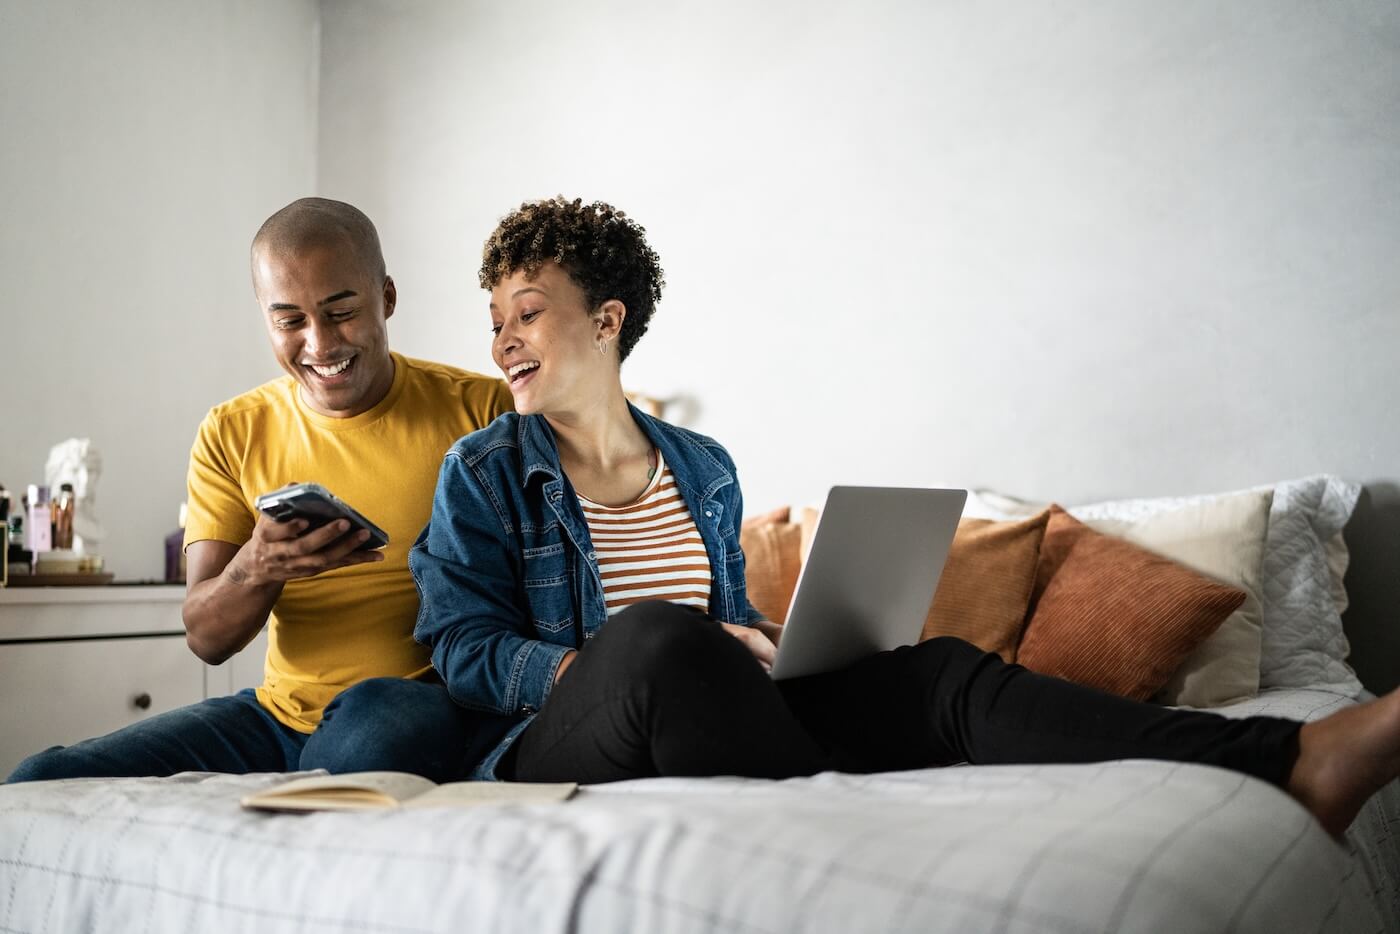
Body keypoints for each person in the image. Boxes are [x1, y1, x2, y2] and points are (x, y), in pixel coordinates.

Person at [410, 196, 1400, 839]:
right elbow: (458, 645)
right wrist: (584, 663)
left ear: (606, 319)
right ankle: (849, 812)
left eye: (526, 311)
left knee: (929, 670)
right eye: (494, 317)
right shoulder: (485, 469)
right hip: (552, 739)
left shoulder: (700, 466)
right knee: (659, 637)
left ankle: (1289, 755)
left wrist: (758, 642)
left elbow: (720, 609)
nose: (502, 338)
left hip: (694, 697)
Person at [8, 197, 513, 784]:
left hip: (416, 707)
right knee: (42, 779)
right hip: (278, 718)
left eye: (341, 311)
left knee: (371, 727)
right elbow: (206, 638)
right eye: (290, 321)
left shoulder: (482, 410)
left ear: (387, 298)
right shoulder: (232, 430)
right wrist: (260, 565)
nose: (320, 345)